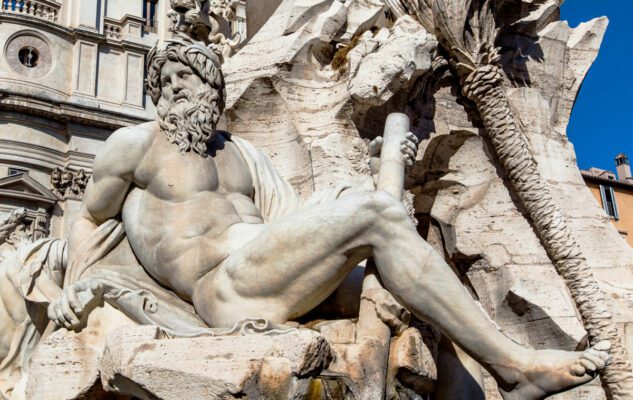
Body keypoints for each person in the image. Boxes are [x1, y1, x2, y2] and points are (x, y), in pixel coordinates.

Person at [48, 37, 611, 400]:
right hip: (223, 287)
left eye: (185, 78)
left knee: (414, 300)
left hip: (270, 266)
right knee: (374, 216)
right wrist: (74, 288)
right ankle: (514, 365)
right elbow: (88, 216)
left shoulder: (245, 156)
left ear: (212, 87)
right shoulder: (134, 146)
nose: (173, 89)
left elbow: (293, 224)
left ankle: (492, 388)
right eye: (163, 82)